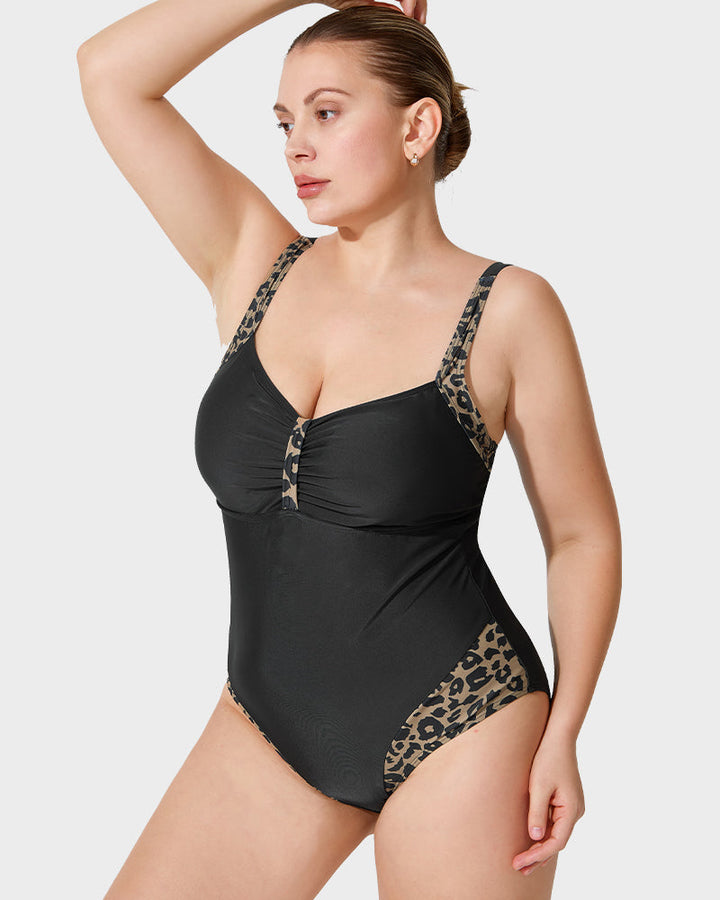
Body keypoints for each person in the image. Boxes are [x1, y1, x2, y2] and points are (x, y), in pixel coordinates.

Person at [77, 1, 622, 897]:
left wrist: (565, 730)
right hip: (266, 725)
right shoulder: (256, 262)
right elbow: (109, 73)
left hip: (464, 719)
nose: (297, 146)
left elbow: (581, 535)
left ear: (418, 127)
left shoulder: (508, 309)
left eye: (327, 113)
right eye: (285, 122)